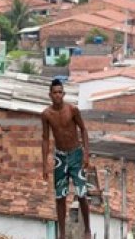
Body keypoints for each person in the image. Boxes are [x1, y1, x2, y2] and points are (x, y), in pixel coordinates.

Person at [42, 79, 92, 239]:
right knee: (60, 196)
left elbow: (83, 130)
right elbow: (45, 138)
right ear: (50, 95)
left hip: (76, 154)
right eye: (54, 92)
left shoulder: (72, 110)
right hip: (60, 158)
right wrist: (44, 164)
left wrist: (86, 153)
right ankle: (62, 233)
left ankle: (87, 230)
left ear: (63, 94)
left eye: (60, 92)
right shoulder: (46, 114)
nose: (57, 95)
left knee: (82, 192)